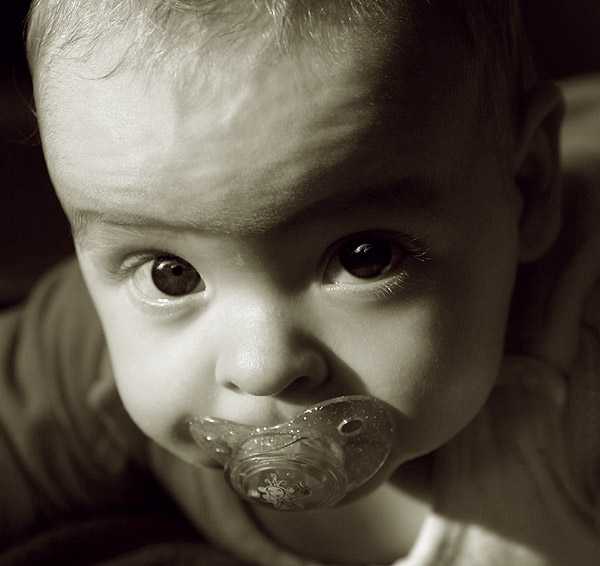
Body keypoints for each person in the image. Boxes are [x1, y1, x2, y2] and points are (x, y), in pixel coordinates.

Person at [1, 0, 599, 564]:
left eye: (365, 257)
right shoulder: (91, 356)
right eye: (174, 275)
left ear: (525, 190)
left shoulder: (579, 383)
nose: (262, 367)